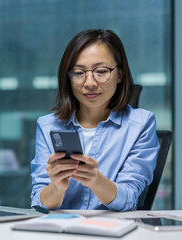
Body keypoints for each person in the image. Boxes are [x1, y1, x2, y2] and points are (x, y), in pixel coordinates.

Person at [30, 29, 160, 211]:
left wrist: (96, 180)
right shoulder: (47, 126)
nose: (90, 82)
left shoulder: (141, 124)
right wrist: (57, 187)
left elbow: (129, 199)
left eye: (101, 71)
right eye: (78, 73)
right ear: (68, 78)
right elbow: (39, 201)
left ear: (120, 75)